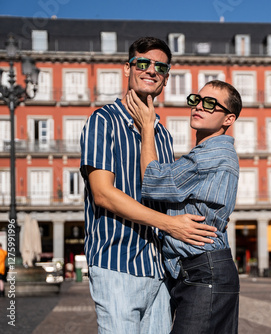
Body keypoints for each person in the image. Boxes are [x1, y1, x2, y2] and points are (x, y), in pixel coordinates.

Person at [80, 37, 217, 334]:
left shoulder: (162, 135)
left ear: (166, 78)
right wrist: (171, 225)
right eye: (142, 63)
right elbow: (103, 194)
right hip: (117, 264)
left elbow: (163, 192)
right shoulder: (103, 121)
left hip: (159, 270)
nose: (150, 70)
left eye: (160, 67)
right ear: (128, 69)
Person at [125, 79, 242, 333]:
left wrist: (147, 128)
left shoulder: (209, 155)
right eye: (196, 100)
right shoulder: (216, 154)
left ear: (228, 119)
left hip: (204, 272)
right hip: (202, 269)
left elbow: (153, 180)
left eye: (210, 104)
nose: (199, 106)